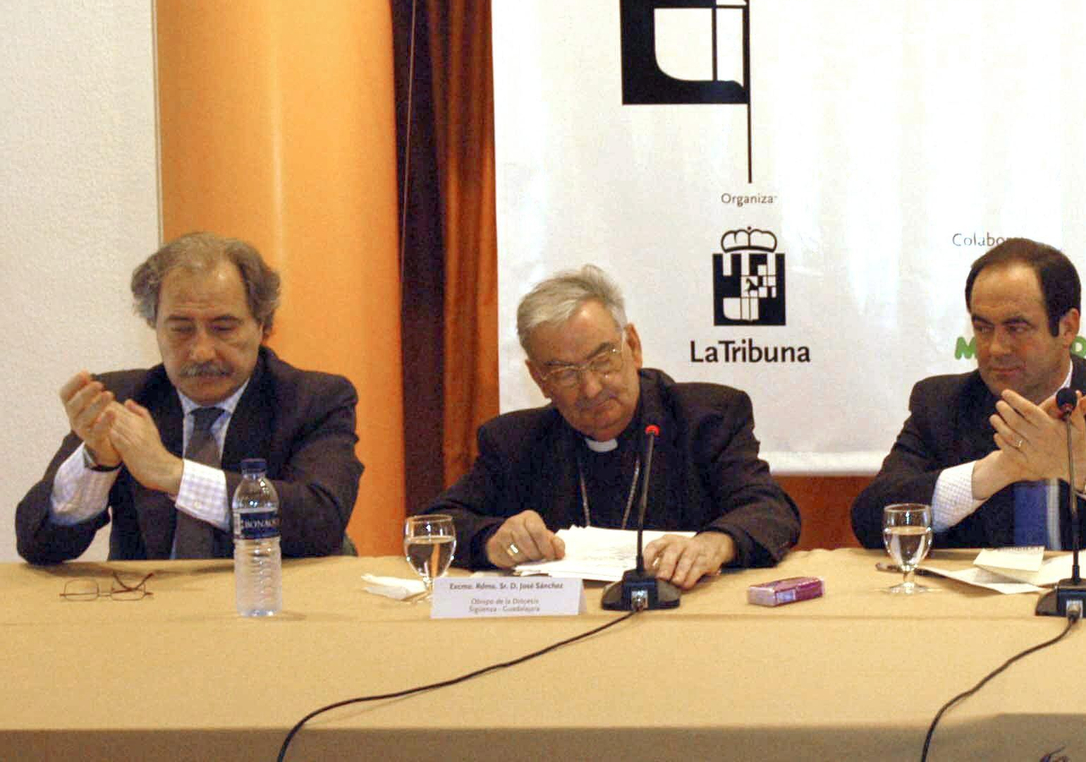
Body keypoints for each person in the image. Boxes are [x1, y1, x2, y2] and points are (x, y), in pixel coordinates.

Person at [424, 265, 799, 590]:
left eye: (602, 360)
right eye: (564, 373)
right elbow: (434, 525)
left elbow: (770, 510)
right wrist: (493, 539)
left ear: (632, 346)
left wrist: (715, 544)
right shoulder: (514, 442)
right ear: (539, 379)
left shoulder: (706, 417)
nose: (591, 388)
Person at [850, 238, 1086, 554]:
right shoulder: (941, 403)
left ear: (1067, 327)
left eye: (1017, 327)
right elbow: (870, 521)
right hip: (972, 616)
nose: (996, 348)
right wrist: (993, 472)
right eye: (983, 327)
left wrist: (1085, 467)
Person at [16, 232, 364, 564]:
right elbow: (38, 544)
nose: (200, 352)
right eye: (181, 328)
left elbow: (320, 522)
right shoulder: (122, 402)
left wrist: (173, 474)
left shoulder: (313, 400)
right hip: (151, 613)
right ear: (154, 325)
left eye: (223, 328)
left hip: (269, 609)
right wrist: (96, 463)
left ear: (262, 325)